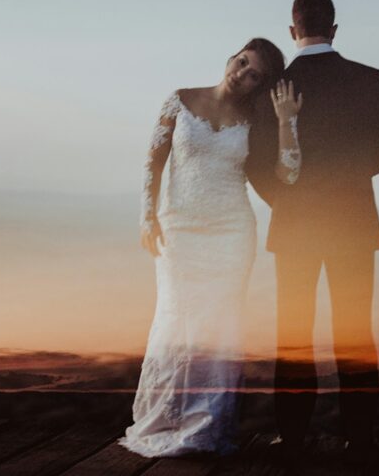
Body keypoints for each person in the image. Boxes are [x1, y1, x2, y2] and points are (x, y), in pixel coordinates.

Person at [120, 37, 302, 457]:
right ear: (231, 57)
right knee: (175, 317)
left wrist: (286, 121)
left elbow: (288, 175)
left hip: (231, 234)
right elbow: (153, 161)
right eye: (242, 62)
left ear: (260, 85)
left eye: (254, 75)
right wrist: (147, 215)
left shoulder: (256, 120)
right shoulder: (180, 99)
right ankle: (166, 420)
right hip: (178, 229)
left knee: (220, 327)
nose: (242, 74)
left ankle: (206, 429)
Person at [246, 0, 379, 466]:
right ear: (333, 29)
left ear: (293, 30)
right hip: (353, 223)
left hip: (294, 227)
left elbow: (255, 165)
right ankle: (361, 441)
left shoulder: (272, 87)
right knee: (355, 334)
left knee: (294, 334)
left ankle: (292, 440)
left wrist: (289, 199)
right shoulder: (369, 78)